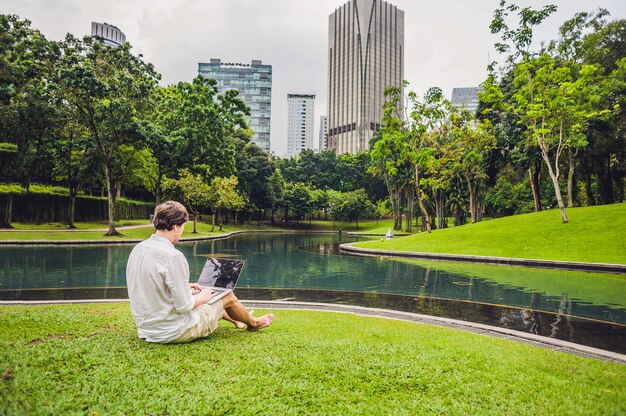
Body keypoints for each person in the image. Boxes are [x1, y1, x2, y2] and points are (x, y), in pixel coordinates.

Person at [126, 200, 274, 344]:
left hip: (147, 330)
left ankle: (238, 320)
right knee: (226, 295)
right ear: (176, 226)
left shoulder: (138, 249)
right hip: (173, 331)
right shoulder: (173, 256)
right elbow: (184, 307)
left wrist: (186, 287)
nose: (182, 232)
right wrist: (202, 296)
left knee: (208, 296)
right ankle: (253, 323)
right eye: (183, 227)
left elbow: (150, 284)